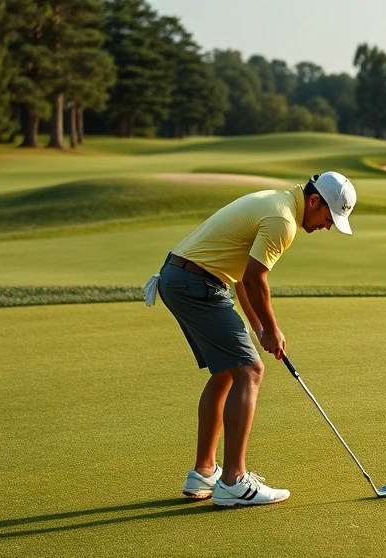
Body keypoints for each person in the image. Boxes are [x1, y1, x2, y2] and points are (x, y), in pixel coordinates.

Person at [145, 172, 356, 507]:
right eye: (329, 219)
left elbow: (243, 275)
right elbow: (257, 279)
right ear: (314, 202)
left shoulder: (278, 203)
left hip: (181, 279)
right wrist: (272, 328)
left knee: (228, 371)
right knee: (250, 371)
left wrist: (259, 329)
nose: (327, 227)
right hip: (197, 284)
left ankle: (204, 472)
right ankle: (234, 481)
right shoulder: (283, 221)